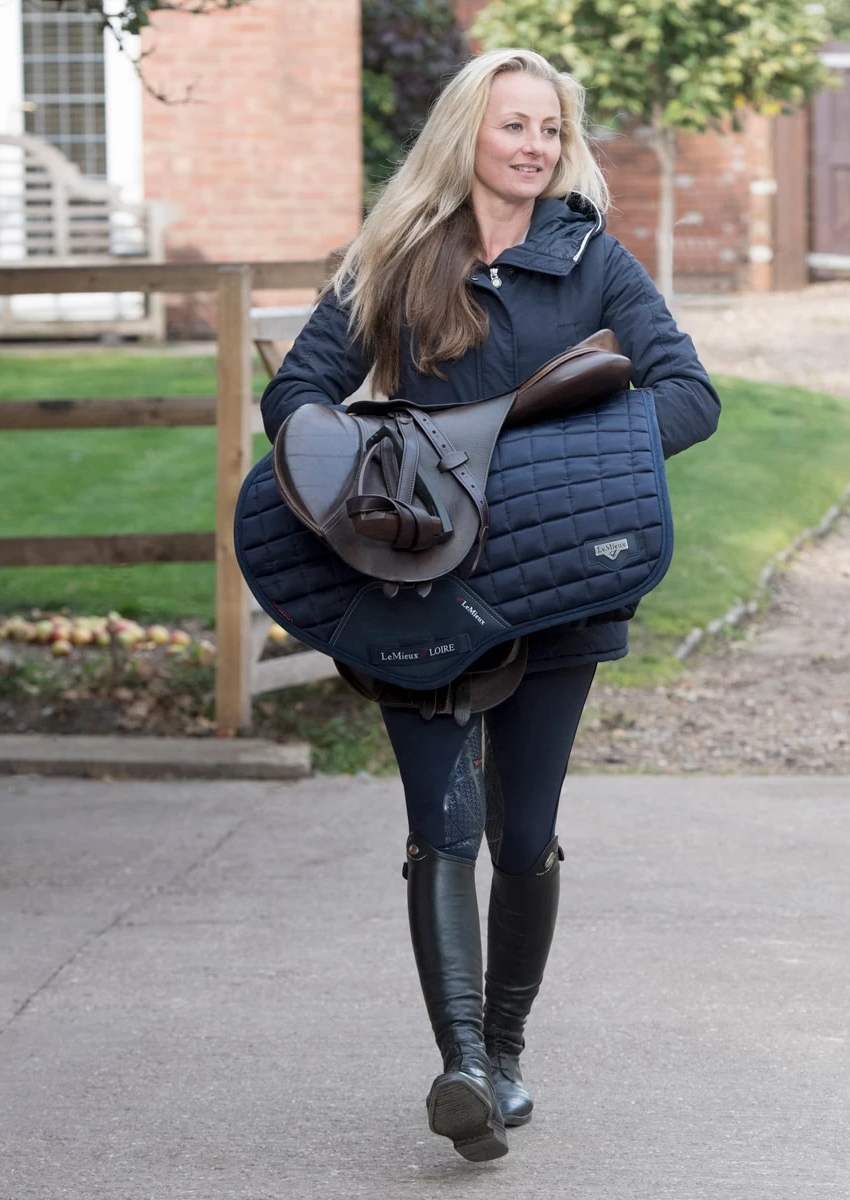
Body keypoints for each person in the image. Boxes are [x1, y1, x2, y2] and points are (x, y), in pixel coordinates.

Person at [260, 48, 720, 1163]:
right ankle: (462, 1064)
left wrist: (566, 478)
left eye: (550, 130)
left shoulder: (592, 259)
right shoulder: (393, 256)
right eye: (515, 125)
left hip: (557, 581)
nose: (535, 147)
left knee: (522, 832)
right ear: (467, 133)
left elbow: (689, 394)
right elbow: (297, 394)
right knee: (441, 825)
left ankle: (506, 1053)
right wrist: (371, 472)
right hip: (416, 577)